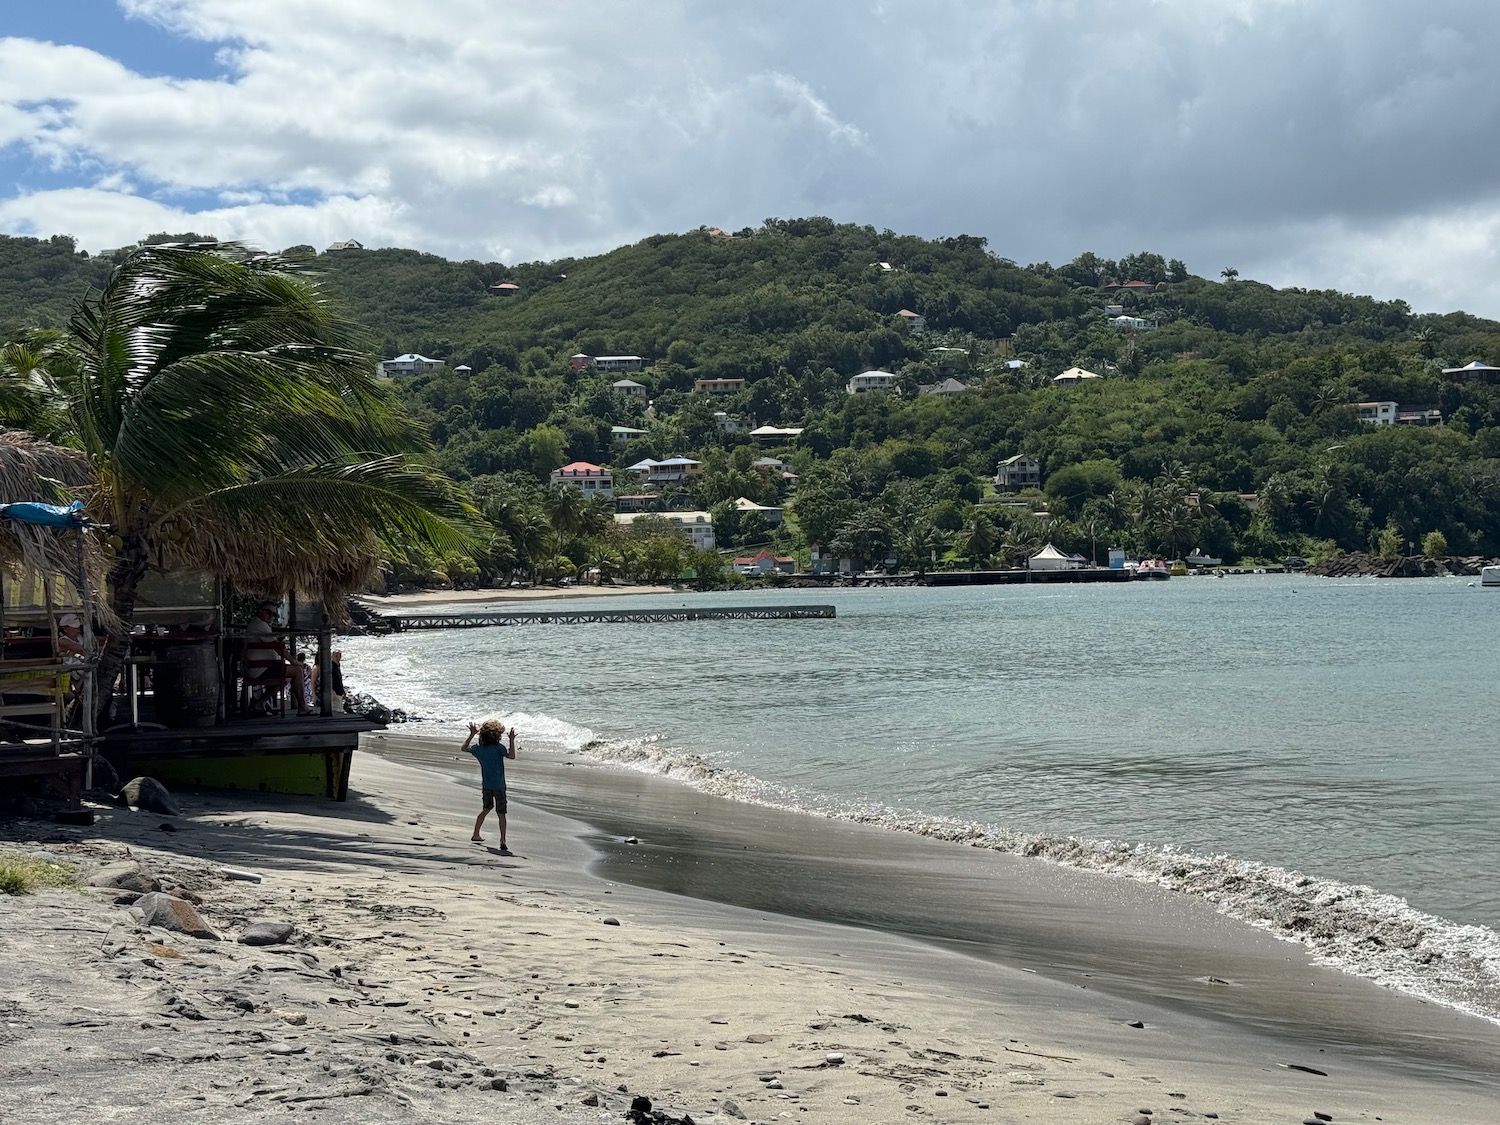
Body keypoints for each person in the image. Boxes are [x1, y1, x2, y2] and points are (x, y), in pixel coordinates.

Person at [462, 718, 517, 853]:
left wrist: (471, 734)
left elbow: (464, 748)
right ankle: (503, 840)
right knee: (501, 813)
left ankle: (476, 833)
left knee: (486, 808)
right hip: (499, 785)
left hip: (487, 785)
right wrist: (511, 740)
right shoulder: (499, 748)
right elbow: (512, 756)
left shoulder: (478, 749)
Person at [244, 601, 288, 714]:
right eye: (269, 612)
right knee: (296, 671)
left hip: (263, 667)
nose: (271, 616)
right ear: (260, 611)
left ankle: (261, 702)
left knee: (289, 676)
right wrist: (293, 661)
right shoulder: (260, 625)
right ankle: (303, 707)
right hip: (260, 669)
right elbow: (277, 646)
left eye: (274, 614)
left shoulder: (260, 625)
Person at [294, 651, 316, 715]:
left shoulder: (295, 665)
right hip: (305, 684)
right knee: (305, 697)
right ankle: (304, 706)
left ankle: (302, 706)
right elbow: (310, 676)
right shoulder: (307, 666)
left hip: (301, 684)